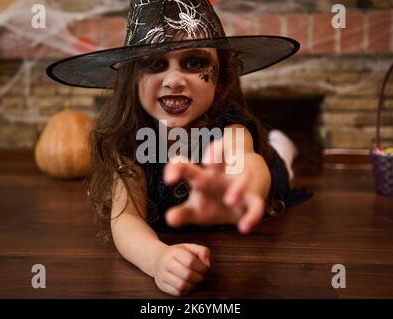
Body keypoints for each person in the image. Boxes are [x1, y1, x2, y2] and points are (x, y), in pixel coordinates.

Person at [47, 0, 312, 296]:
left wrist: (245, 185)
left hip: (268, 174)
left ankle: (282, 149)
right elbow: (126, 219)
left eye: (194, 63)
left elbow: (244, 159)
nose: (173, 80)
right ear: (133, 78)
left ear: (219, 78)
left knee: (282, 171)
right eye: (156, 63)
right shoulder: (130, 140)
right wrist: (157, 258)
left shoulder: (230, 127)